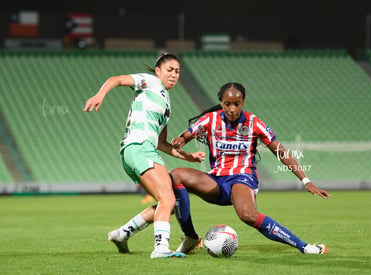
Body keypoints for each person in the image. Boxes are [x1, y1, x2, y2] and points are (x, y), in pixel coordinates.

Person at [169, 82, 330, 255]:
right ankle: (191, 237)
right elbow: (185, 136)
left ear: (243, 103)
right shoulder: (210, 119)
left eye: (236, 104)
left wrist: (306, 181)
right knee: (176, 175)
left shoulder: (254, 123)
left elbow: (281, 152)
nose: (232, 109)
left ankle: (304, 247)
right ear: (221, 103)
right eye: (227, 104)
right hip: (216, 180)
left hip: (243, 178)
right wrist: (180, 141)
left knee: (247, 214)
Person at [83, 53, 205, 259]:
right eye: (170, 70)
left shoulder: (166, 103)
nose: (174, 75)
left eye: (177, 71)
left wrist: (189, 157)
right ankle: (160, 248)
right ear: (158, 71)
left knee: (168, 201)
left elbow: (161, 143)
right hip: (139, 146)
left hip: (140, 149)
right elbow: (116, 79)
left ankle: (121, 234)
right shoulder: (150, 81)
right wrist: (100, 95)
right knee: (168, 198)